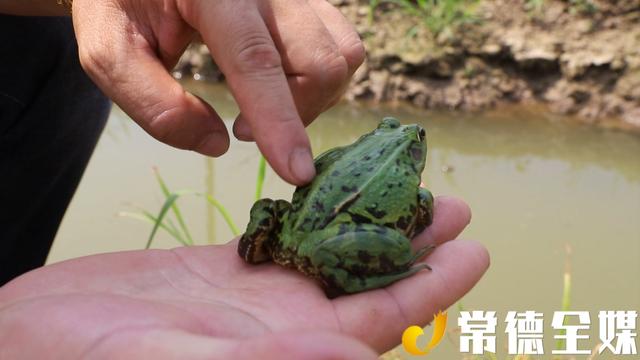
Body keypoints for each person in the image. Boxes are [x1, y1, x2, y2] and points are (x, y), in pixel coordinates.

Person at [0, 0, 489, 357]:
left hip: (288, 239)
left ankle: (254, 249)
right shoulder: (408, 178)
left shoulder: (352, 153)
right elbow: (419, 212)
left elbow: (314, 173)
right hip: (326, 244)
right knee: (404, 249)